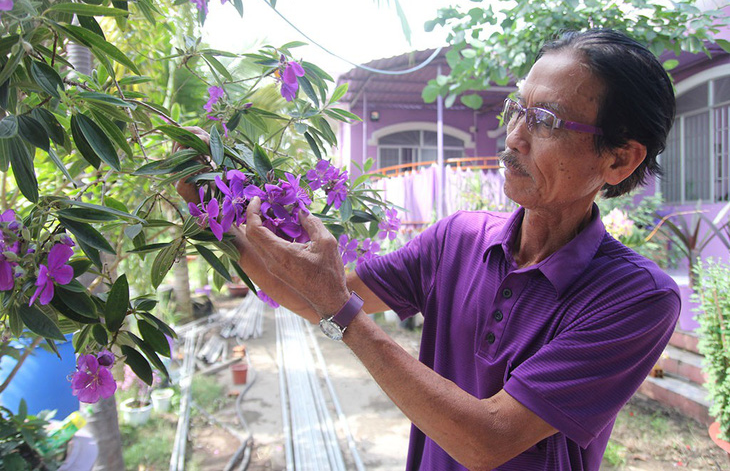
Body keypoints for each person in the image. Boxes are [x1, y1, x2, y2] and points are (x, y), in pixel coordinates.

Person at [178, 29, 680, 470]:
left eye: (546, 120)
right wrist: (211, 209)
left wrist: (343, 313)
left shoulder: (637, 298)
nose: (514, 137)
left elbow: (490, 440)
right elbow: (313, 295)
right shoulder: (458, 238)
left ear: (618, 160)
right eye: (517, 109)